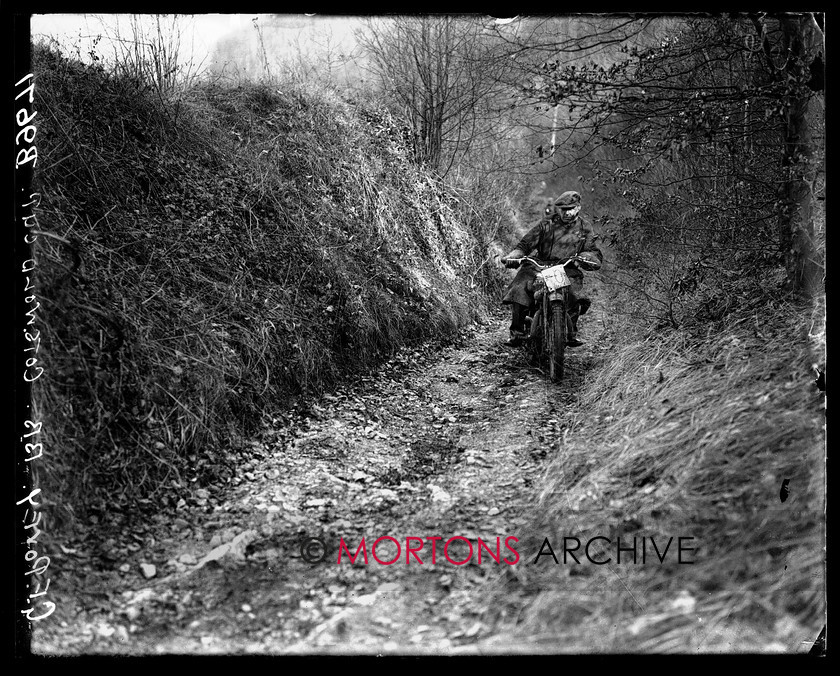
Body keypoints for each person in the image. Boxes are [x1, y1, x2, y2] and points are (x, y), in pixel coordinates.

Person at [500, 190, 602, 347]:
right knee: (520, 288)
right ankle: (517, 333)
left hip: (566, 266)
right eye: (563, 209)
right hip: (539, 265)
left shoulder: (584, 227)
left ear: (578, 208)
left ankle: (570, 332)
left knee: (574, 293)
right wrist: (515, 255)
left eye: (570, 208)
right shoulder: (546, 224)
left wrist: (587, 258)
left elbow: (590, 248)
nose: (566, 212)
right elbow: (526, 244)